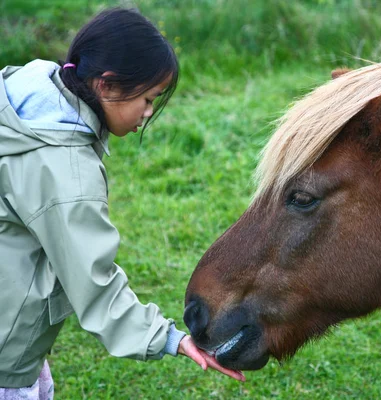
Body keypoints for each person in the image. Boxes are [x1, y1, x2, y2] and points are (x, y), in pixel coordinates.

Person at [0, 7, 245, 398]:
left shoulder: (24, 98)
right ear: (107, 85)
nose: (148, 114)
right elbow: (95, 283)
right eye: (148, 99)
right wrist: (169, 338)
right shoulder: (66, 170)